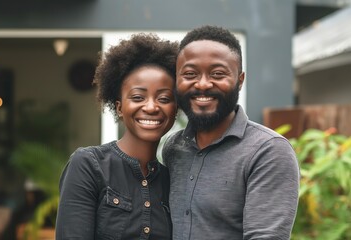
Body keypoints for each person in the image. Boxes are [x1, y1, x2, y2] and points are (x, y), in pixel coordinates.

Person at [162, 25, 300, 240]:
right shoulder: (174, 147)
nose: (203, 84)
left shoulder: (268, 151)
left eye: (218, 73)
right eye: (190, 74)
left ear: (240, 80)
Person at [55, 33, 178, 240]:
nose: (151, 107)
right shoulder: (88, 165)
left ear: (176, 109)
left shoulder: (171, 180)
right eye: (138, 97)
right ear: (119, 108)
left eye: (164, 98)